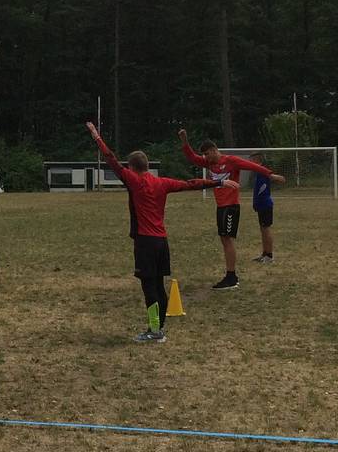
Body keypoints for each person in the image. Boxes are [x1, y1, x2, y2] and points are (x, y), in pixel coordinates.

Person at [87, 122, 233, 342]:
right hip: (161, 242)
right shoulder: (161, 183)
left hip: (145, 243)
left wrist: (97, 136)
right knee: (158, 285)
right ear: (147, 165)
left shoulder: (134, 181)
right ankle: (159, 328)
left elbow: (111, 159)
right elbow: (189, 183)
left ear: (132, 167)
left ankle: (155, 330)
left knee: (149, 288)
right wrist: (218, 182)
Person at [178, 130, 284, 290]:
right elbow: (192, 158)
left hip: (231, 206)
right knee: (224, 239)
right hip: (221, 206)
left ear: (214, 150)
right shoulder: (209, 163)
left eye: (207, 154)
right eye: (204, 155)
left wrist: (270, 175)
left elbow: (253, 166)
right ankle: (230, 276)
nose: (205, 157)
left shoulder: (231, 161)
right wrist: (185, 142)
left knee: (227, 239)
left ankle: (231, 277)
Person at [249, 154, 283, 263]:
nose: (249, 163)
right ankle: (264, 253)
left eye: (251, 161)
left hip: (265, 205)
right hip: (260, 205)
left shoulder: (263, 170)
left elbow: (273, 176)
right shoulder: (257, 173)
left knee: (266, 229)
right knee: (263, 230)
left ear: (257, 161)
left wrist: (278, 178)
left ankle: (269, 255)